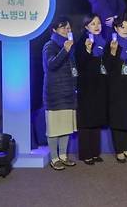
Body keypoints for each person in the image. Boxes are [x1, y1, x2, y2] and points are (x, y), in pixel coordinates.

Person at [42, 16, 77, 170]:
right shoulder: (50, 45)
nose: (67, 30)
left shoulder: (68, 45)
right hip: (55, 93)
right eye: (63, 27)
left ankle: (63, 155)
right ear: (54, 29)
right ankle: (54, 158)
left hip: (68, 92)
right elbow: (51, 65)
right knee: (55, 128)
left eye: (69, 28)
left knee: (65, 127)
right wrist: (65, 50)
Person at [75, 14, 108, 165]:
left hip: (99, 85)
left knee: (96, 118)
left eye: (99, 23)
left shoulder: (104, 40)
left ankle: (95, 152)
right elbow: (80, 64)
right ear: (86, 26)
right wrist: (88, 51)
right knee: (86, 119)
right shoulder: (82, 41)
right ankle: (85, 153)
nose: (97, 26)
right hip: (86, 86)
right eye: (93, 23)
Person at [104, 16, 127, 163]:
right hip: (116, 86)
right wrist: (112, 52)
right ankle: (119, 150)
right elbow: (108, 66)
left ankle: (125, 148)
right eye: (122, 27)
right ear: (116, 29)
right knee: (118, 118)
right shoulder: (111, 44)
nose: (125, 30)